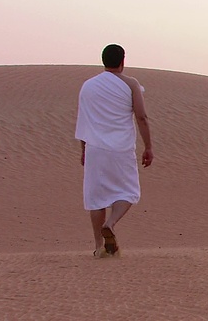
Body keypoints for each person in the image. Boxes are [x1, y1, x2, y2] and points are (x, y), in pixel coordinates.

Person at [75, 44, 154, 258]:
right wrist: (148, 146)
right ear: (122, 61)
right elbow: (141, 117)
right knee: (129, 191)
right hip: (121, 148)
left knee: (96, 197)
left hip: (94, 148)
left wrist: (83, 149)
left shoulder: (88, 86)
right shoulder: (131, 84)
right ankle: (110, 223)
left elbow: (84, 120)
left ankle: (99, 246)